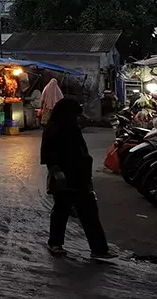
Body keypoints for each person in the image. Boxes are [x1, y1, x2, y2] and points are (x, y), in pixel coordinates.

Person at [40, 97, 115, 259]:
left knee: (89, 212)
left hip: (80, 176)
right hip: (65, 177)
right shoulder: (54, 128)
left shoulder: (71, 126)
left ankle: (99, 249)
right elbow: (49, 153)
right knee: (62, 211)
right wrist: (56, 171)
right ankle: (55, 243)